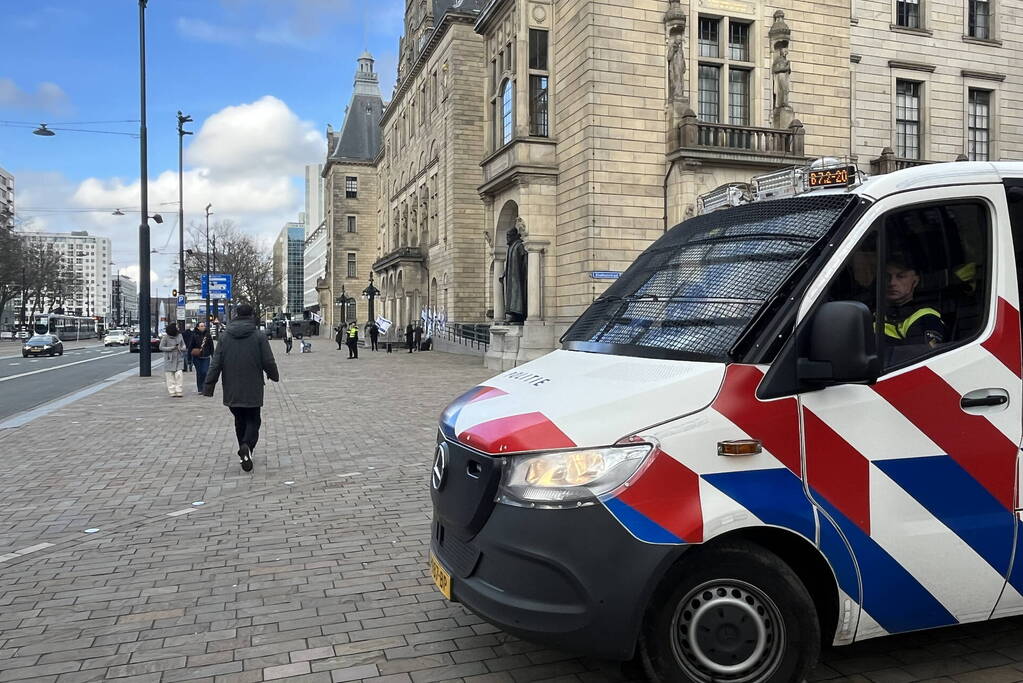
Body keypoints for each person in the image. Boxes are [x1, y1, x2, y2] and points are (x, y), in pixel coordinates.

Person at [202, 303, 280, 472]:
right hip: (253, 385)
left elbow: (216, 363)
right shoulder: (259, 336)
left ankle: (245, 449)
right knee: (254, 419)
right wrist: (274, 375)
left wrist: (209, 385)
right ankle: (247, 447)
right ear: (252, 314)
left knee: (239, 420)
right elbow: (268, 360)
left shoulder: (224, 337)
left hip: (231, 386)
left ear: (236, 314)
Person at [883, 253, 945, 348]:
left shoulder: (926, 318)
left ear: (915, 281)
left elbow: (919, 358)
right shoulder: (874, 312)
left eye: (901, 276)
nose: (892, 283)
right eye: (887, 277)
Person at [159, 322, 186, 398]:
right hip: (169, 358)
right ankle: (172, 391)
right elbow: (161, 347)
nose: (178, 328)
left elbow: (183, 344)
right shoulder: (165, 337)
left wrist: (182, 348)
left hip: (179, 356)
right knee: (170, 376)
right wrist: (170, 348)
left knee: (179, 374)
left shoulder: (180, 336)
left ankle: (179, 390)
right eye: (176, 327)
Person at [189, 321, 214, 393]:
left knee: (205, 372)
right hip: (197, 357)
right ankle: (200, 388)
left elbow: (211, 347)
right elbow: (190, 347)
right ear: (198, 327)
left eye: (204, 326)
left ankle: (204, 387)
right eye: (201, 326)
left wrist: (213, 356)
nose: (203, 327)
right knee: (199, 372)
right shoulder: (194, 335)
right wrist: (189, 359)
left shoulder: (208, 335)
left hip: (206, 356)